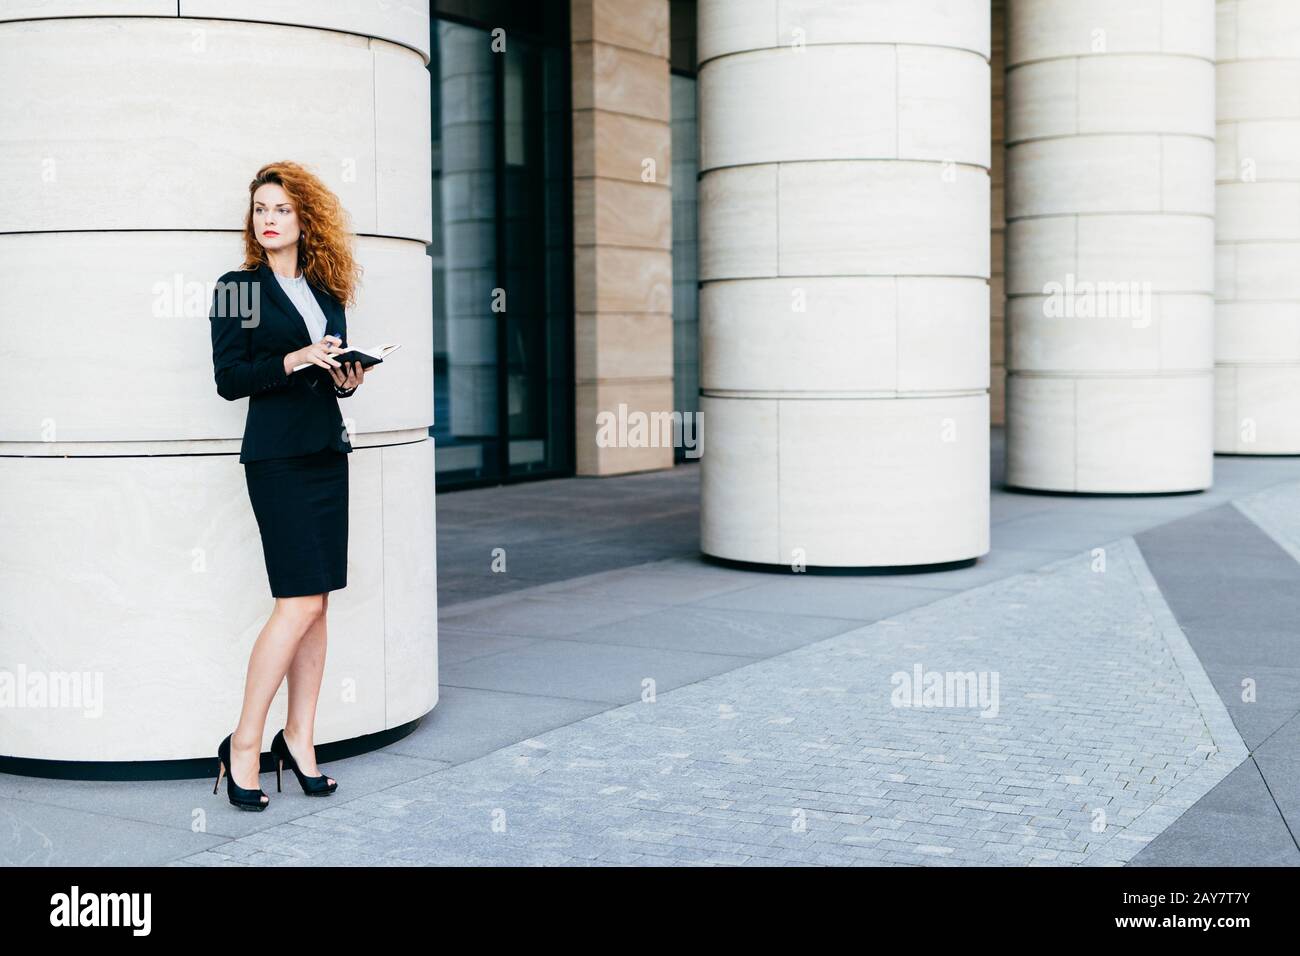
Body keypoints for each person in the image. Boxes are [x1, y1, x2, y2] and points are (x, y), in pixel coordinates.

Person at [207, 160, 369, 810]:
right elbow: (229, 378)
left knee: (319, 603)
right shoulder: (237, 288)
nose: (268, 220)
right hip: (275, 459)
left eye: (280, 209)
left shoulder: (324, 288)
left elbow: (335, 367)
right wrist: (294, 359)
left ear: (304, 220)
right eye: (260, 210)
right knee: (295, 604)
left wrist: (347, 378)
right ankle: (244, 743)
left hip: (327, 450)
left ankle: (298, 739)